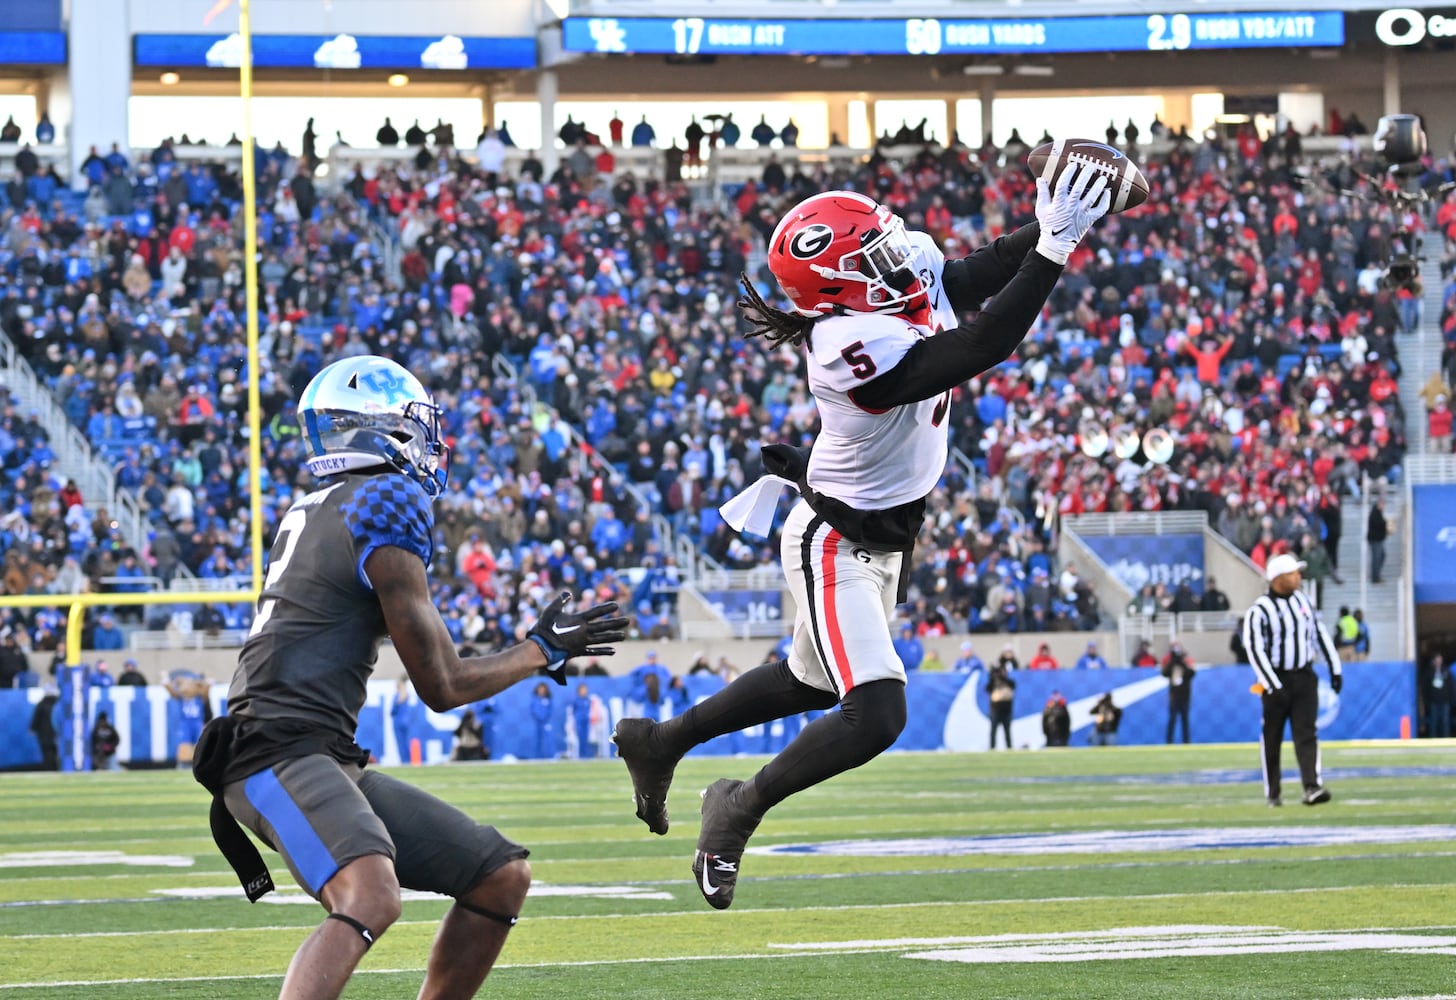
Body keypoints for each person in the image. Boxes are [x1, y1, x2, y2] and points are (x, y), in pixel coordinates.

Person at [610, 169, 1111, 908]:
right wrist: (1058, 247)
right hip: (835, 540)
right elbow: (978, 348)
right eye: (869, 258)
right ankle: (737, 810)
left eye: (884, 244)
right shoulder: (847, 343)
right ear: (834, 292)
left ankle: (660, 742)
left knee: (809, 682)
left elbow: (976, 272)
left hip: (882, 540)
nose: (894, 260)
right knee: (877, 711)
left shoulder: (884, 286)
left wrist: (1054, 222)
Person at [190, 356, 627, 1000]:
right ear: (387, 430)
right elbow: (443, 686)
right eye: (418, 425)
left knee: (499, 875)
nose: (430, 441)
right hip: (276, 749)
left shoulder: (324, 503)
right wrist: (540, 649)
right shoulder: (386, 498)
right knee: (369, 895)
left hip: (312, 751)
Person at [1242, 553, 1342, 807]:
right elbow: (1254, 649)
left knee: (1307, 733)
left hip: (1304, 676)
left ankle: (1312, 786)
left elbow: (1319, 634)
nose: (1298, 577)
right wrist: (1272, 684)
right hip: (1275, 678)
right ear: (1278, 579)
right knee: (1272, 737)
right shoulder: (1260, 610)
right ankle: (1273, 792)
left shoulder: (1303, 602)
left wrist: (1335, 668)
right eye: (1293, 573)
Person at [1162, 641, 1195, 744]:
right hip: (1174, 696)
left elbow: (1192, 673)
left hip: (1185, 696)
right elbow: (1164, 673)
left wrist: (1182, 662)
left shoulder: (1186, 660)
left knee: (1185, 720)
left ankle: (1186, 741)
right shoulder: (1170, 662)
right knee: (1172, 720)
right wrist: (1172, 661)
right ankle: (1169, 741)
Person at [986, 662, 1016, 750]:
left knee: (1007, 732)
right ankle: (992, 748)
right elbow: (987, 688)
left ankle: (1009, 748)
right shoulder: (994, 682)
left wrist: (1003, 678)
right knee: (993, 731)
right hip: (995, 710)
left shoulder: (1009, 682)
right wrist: (992, 678)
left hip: (1006, 710)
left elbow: (1013, 685)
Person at [30, 686, 60, 770]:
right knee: (56, 751)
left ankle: (49, 768)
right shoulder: (58, 704)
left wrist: (32, 728)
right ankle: (56, 767)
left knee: (46, 752)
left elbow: (36, 718)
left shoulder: (41, 704)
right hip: (57, 732)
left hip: (44, 733)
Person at [1367, 497, 1388, 584]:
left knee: (1381, 556)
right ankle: (1375, 577)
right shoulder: (1374, 514)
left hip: (1378, 539)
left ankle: (1376, 574)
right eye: (1382, 504)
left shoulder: (1378, 513)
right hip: (1375, 540)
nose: (1383, 506)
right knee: (1376, 558)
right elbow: (1378, 524)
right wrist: (1385, 523)